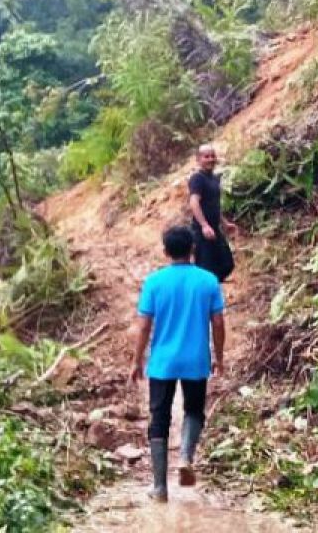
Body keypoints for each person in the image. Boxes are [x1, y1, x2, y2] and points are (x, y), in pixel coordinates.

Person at [128, 224, 226, 502]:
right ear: (193, 248)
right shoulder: (208, 281)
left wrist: (137, 360)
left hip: (162, 362)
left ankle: (159, 488)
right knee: (194, 410)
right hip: (196, 359)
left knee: (159, 417)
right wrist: (219, 357)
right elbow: (218, 322)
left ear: (165, 251)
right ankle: (185, 456)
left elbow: (144, 326)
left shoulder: (154, 282)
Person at [188, 144, 239, 281]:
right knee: (206, 267)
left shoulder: (214, 179)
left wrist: (225, 223)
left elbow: (214, 204)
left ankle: (213, 290)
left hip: (214, 228)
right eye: (206, 156)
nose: (210, 159)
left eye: (212, 156)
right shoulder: (197, 179)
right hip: (201, 231)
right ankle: (205, 296)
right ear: (198, 159)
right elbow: (194, 202)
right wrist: (204, 225)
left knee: (226, 264)